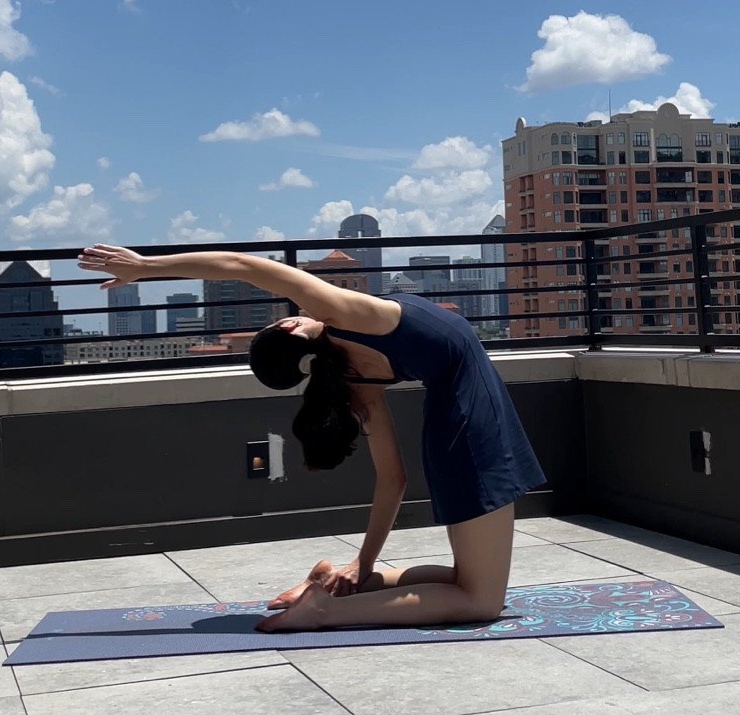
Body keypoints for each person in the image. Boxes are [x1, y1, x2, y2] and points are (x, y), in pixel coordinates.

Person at [77, 242, 545, 632]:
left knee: (470, 581)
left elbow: (392, 479)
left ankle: (340, 586)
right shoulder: (342, 314)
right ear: (290, 325)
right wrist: (146, 267)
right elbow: (244, 266)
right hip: (473, 428)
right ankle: (326, 610)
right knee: (480, 601)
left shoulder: (353, 377)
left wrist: (362, 565)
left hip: (460, 426)